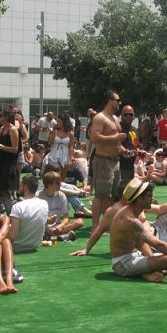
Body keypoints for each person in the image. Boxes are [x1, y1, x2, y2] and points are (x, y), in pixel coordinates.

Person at [89, 90, 127, 230]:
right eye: (117, 100)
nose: (119, 103)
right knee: (100, 195)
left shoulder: (116, 119)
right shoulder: (100, 117)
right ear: (110, 101)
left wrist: (124, 150)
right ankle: (95, 226)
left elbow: (117, 143)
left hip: (115, 161)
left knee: (114, 194)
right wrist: (115, 138)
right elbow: (94, 138)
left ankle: (106, 222)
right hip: (103, 160)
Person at [8, 175, 49, 253]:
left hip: (17, 246)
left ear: (25, 187)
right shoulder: (44, 204)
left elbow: (12, 236)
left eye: (20, 185)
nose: (19, 188)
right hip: (34, 245)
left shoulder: (17, 207)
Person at [36, 171, 83, 241]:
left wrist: (61, 225)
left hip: (57, 226)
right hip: (43, 226)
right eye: (57, 183)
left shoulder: (61, 195)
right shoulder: (37, 196)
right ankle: (58, 237)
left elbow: (66, 216)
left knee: (79, 222)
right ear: (48, 184)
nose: (60, 184)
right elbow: (35, 218)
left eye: (60, 182)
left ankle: (52, 237)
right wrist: (47, 221)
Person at [43, 113, 76, 180]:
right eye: (57, 121)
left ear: (64, 122)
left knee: (62, 177)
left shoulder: (70, 134)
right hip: (54, 154)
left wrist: (70, 159)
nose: (57, 123)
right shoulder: (55, 131)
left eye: (59, 121)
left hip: (64, 156)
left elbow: (71, 147)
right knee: (51, 176)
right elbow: (50, 142)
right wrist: (52, 132)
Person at [119, 105, 139, 183]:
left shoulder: (135, 130)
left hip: (131, 165)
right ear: (122, 116)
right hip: (120, 165)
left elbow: (136, 144)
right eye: (125, 114)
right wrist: (125, 151)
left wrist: (139, 151)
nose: (128, 116)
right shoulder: (118, 128)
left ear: (133, 116)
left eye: (130, 114)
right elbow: (115, 144)